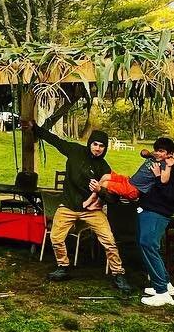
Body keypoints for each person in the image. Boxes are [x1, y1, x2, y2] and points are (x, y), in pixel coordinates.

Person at [33, 121, 134, 296]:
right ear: (90, 143)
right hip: (69, 205)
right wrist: (35, 128)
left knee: (109, 241)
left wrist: (99, 190)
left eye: (102, 146)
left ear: (105, 148)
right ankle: (63, 266)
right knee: (56, 237)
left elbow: (113, 198)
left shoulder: (104, 168)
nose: (97, 148)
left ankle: (118, 274)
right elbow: (54, 139)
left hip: (93, 211)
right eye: (95, 144)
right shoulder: (74, 151)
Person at [129, 137, 174, 308]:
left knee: (148, 244)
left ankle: (162, 293)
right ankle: (165, 283)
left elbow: (170, 195)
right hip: (146, 208)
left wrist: (159, 177)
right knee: (147, 245)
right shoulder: (169, 166)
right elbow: (150, 157)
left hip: (158, 213)